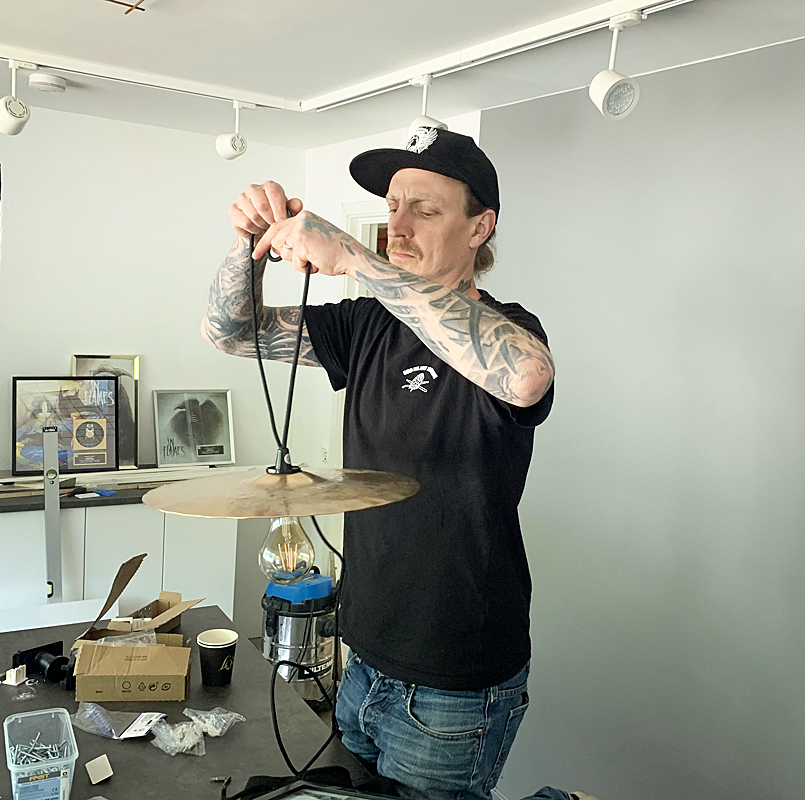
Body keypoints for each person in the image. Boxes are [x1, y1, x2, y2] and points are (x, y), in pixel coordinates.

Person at [204, 128, 574, 800]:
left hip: (453, 674)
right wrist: (249, 244)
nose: (396, 226)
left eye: (425, 210)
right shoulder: (366, 324)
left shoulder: (508, 328)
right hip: (365, 652)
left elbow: (525, 378)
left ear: (479, 227)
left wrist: (353, 257)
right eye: (393, 206)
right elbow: (230, 332)